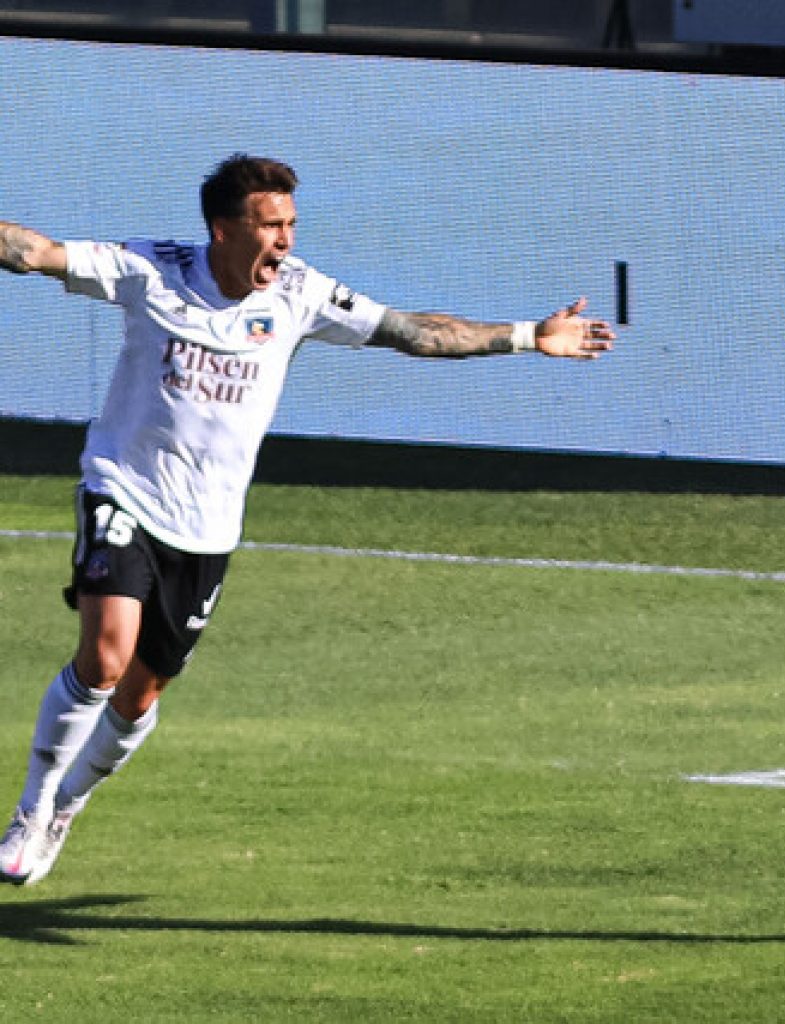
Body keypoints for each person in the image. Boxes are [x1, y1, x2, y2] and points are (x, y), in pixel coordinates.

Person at [0, 153, 614, 887]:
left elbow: (414, 332)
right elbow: (33, 252)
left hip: (209, 528)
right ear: (223, 230)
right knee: (104, 656)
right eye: (270, 225)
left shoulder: (299, 293)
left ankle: (69, 803)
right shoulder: (148, 269)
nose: (285, 240)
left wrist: (526, 336)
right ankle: (31, 813)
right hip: (123, 492)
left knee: (138, 699)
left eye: (291, 223)